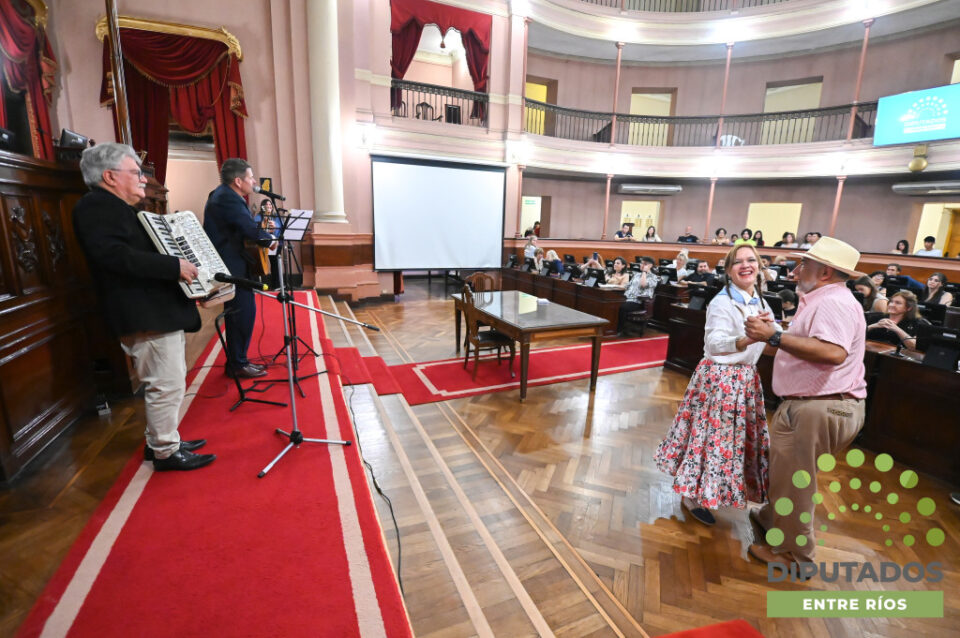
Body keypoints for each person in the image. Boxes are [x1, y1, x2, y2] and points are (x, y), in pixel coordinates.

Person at [72, 143, 216, 471]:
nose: (143, 179)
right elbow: (113, 256)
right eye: (135, 172)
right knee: (165, 383)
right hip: (142, 311)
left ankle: (162, 440)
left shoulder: (116, 207)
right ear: (109, 176)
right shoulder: (96, 206)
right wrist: (172, 266)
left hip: (154, 308)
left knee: (169, 379)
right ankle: (166, 451)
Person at [744, 237, 867, 568]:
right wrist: (773, 336)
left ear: (825, 272)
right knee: (785, 475)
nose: (796, 272)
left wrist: (774, 336)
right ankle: (774, 521)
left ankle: (796, 556)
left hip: (821, 405)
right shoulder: (823, 299)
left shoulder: (833, 302)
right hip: (811, 403)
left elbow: (833, 352)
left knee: (798, 483)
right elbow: (804, 344)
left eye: (804, 265)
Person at [655, 244, 774, 525]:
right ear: (729, 271)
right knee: (710, 441)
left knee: (729, 444)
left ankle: (718, 490)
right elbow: (714, 344)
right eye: (738, 262)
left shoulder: (760, 301)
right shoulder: (722, 302)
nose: (746, 266)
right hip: (721, 378)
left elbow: (771, 337)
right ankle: (694, 495)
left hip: (744, 379)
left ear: (759, 266)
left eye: (751, 260)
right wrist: (750, 338)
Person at [204, 158, 276, 379]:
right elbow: (246, 228)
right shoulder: (228, 198)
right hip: (231, 264)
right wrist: (269, 239)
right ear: (238, 181)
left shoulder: (224, 194)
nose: (254, 181)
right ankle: (238, 364)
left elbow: (239, 226)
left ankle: (238, 360)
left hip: (233, 261)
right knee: (242, 313)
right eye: (250, 177)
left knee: (241, 312)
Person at [617, 256, 657, 334]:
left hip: (639, 302)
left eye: (644, 264)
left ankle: (619, 329)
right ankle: (611, 328)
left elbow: (643, 284)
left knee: (622, 307)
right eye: (641, 263)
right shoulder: (637, 274)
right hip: (627, 298)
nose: (641, 265)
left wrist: (645, 272)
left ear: (650, 266)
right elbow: (627, 286)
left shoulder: (654, 277)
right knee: (612, 305)